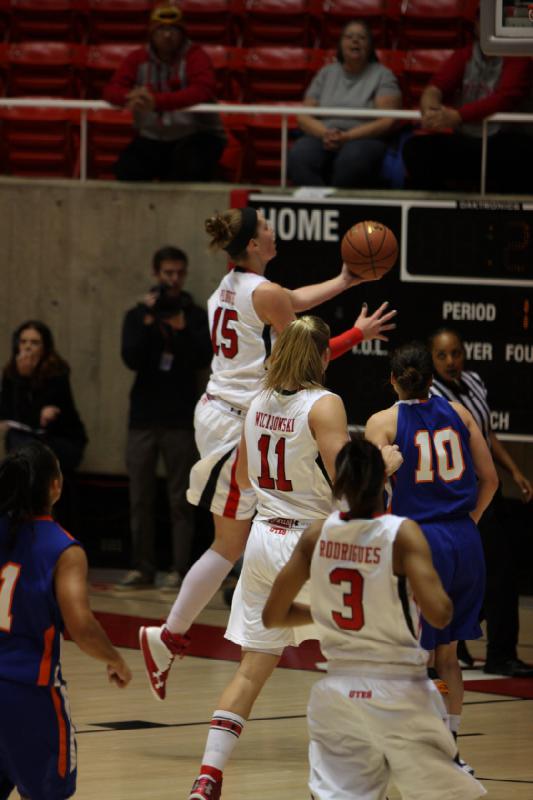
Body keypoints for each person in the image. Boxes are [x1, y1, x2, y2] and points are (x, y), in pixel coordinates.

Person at [138, 206, 397, 702]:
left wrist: (344, 279)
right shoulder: (267, 293)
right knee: (229, 540)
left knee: (232, 541)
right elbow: (305, 350)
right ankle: (169, 634)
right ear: (256, 242)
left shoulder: (231, 284)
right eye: (266, 228)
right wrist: (356, 335)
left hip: (223, 410)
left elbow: (289, 300)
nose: (272, 233)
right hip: (239, 419)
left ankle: (170, 635)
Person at [185, 317, 403, 800]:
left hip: (263, 539)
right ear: (324, 356)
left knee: (250, 668)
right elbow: (350, 482)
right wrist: (382, 465)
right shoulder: (324, 404)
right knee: (360, 665)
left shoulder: (256, 402)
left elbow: (242, 472)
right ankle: (354, 782)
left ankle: (207, 779)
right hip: (309, 544)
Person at [262, 436, 487, 800]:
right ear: (383, 477)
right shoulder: (400, 533)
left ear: (341, 483)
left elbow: (273, 616)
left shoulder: (318, 534)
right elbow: (441, 614)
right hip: (398, 687)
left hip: (338, 691)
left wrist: (325, 614)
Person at [365, 341, 498, 768]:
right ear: (431, 379)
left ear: (392, 380)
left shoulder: (382, 422)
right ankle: (451, 750)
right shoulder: (459, 414)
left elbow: (363, 493)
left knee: (411, 656)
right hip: (464, 539)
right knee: (449, 655)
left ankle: (408, 750)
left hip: (420, 540)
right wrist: (468, 521)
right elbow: (490, 479)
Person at [0, 441, 132, 800]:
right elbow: (81, 625)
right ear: (54, 486)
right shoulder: (62, 547)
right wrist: (115, 659)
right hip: (30, 693)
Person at [429, 327, 533, 678]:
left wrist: (514, 470)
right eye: (442, 355)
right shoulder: (432, 395)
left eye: (455, 352)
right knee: (496, 571)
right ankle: (498, 653)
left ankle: (460, 639)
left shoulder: (474, 382)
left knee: (499, 569)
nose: (451, 361)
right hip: (464, 494)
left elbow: (486, 434)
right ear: (431, 359)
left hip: (491, 487)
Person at [117, 246, 212, 591]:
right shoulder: (138, 314)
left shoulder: (196, 315)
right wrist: (147, 320)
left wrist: (183, 329)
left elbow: (203, 357)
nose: (173, 279)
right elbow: (130, 357)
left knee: (180, 499)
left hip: (181, 418)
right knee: (140, 497)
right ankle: (142, 568)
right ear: (156, 273)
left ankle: (180, 569)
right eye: (168, 273)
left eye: (179, 273)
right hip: (142, 418)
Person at [402, 4, 532, 193]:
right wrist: (430, 108)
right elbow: (436, 86)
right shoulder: (465, 55)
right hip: (468, 139)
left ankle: (509, 216)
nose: (492, 28)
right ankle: (441, 211)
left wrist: (457, 116)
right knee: (415, 150)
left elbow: (504, 98)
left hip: (505, 140)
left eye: (499, 23)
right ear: (476, 25)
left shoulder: (519, 58)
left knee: (523, 153)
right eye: (486, 22)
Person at [102, 1, 226, 182]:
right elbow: (110, 90)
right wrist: (130, 97)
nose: (167, 35)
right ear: (151, 33)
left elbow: (203, 90)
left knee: (186, 168)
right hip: (153, 138)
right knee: (126, 169)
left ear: (183, 33)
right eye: (161, 29)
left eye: (173, 30)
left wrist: (156, 102)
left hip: (197, 135)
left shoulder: (196, 56)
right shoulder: (137, 58)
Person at [287, 19, 402, 188]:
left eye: (362, 37)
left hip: (364, 137)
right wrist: (326, 134)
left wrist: (348, 137)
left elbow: (387, 120)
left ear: (370, 46)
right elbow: (304, 116)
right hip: (324, 134)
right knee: (299, 155)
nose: (355, 40)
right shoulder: (326, 73)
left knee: (352, 160)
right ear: (340, 44)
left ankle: (340, 210)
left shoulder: (383, 75)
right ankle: (321, 206)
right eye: (349, 36)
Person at [0, 319, 87, 474]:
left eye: (34, 343)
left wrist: (25, 379)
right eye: (23, 341)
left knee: (26, 449)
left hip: (61, 440)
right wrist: (21, 378)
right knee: (17, 440)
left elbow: (39, 421)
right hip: (27, 439)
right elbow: (8, 412)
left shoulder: (57, 372)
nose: (27, 347)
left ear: (44, 347)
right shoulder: (11, 372)